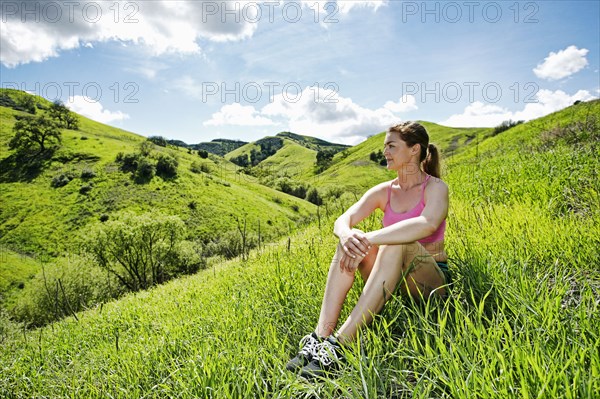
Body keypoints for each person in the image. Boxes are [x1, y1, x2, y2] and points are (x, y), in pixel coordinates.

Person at [286, 121, 450, 379]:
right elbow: (342, 220)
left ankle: (340, 346)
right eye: (385, 146)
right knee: (350, 245)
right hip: (391, 283)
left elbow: (427, 224)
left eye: (392, 146)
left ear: (414, 149)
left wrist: (371, 238)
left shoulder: (435, 188)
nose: (385, 151)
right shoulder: (384, 191)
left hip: (429, 285)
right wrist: (347, 235)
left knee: (396, 243)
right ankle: (320, 336)